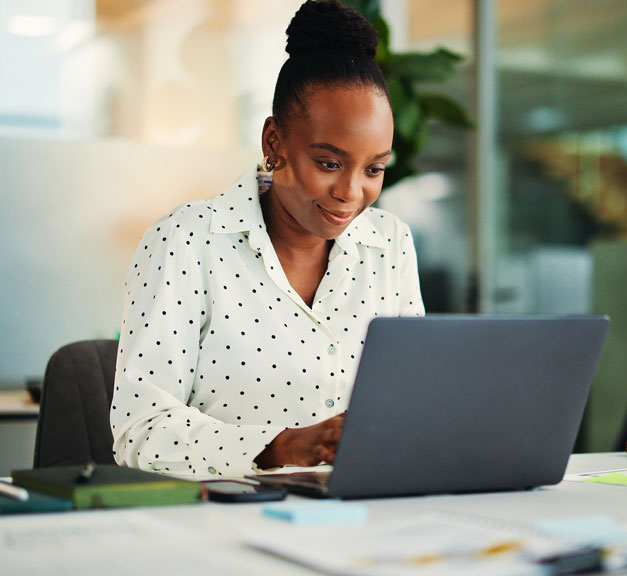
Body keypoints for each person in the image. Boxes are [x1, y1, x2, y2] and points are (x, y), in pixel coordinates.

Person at [110, 0, 424, 479]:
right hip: (222, 521)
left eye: (374, 169)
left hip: (361, 515)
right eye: (329, 163)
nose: (350, 193)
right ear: (274, 143)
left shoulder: (390, 244)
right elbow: (141, 430)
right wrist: (284, 446)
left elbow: (410, 405)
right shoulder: (187, 241)